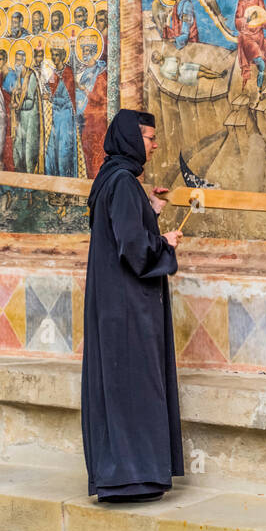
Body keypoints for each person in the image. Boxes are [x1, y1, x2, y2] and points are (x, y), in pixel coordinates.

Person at [81, 109, 184, 503]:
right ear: (129, 138)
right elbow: (134, 250)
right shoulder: (123, 183)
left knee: (123, 386)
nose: (155, 145)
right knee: (135, 386)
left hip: (115, 305)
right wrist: (165, 244)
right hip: (127, 307)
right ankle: (132, 478)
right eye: (149, 137)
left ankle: (126, 476)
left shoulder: (113, 179)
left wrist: (150, 212)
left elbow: (120, 228)